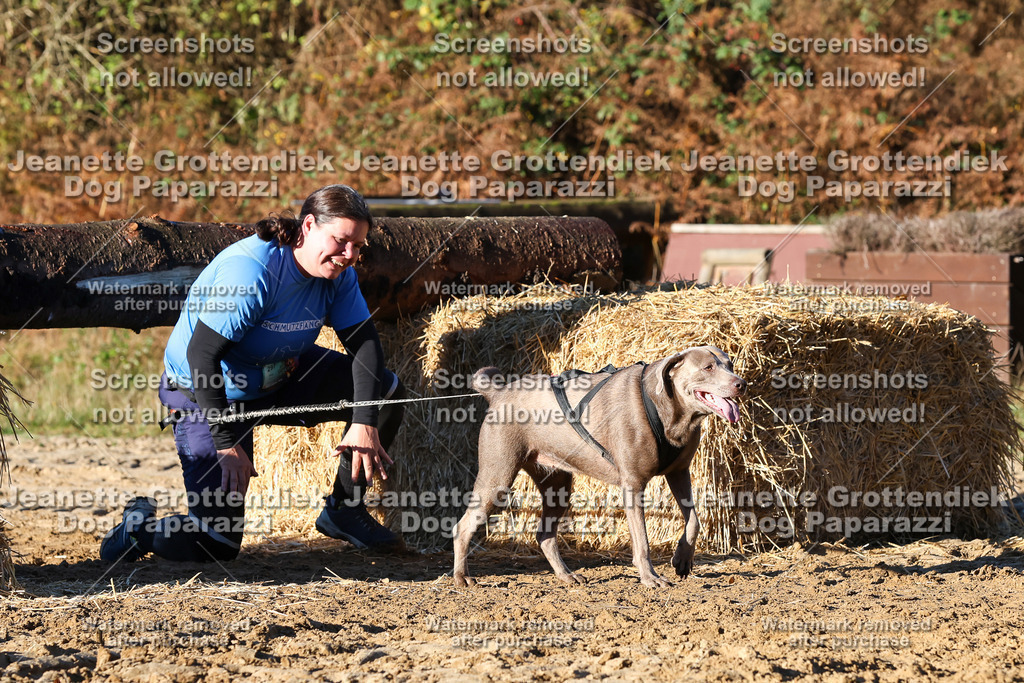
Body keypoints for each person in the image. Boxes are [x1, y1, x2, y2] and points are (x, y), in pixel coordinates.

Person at [101, 184, 406, 563]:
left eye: (358, 246)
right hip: (211, 391)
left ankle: (344, 510)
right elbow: (202, 355)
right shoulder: (253, 272)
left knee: (386, 392)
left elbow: (364, 346)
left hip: (280, 372)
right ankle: (138, 528)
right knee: (215, 544)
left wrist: (364, 420)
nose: (349, 255)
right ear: (308, 226)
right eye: (342, 241)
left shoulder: (338, 275)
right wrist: (226, 441)